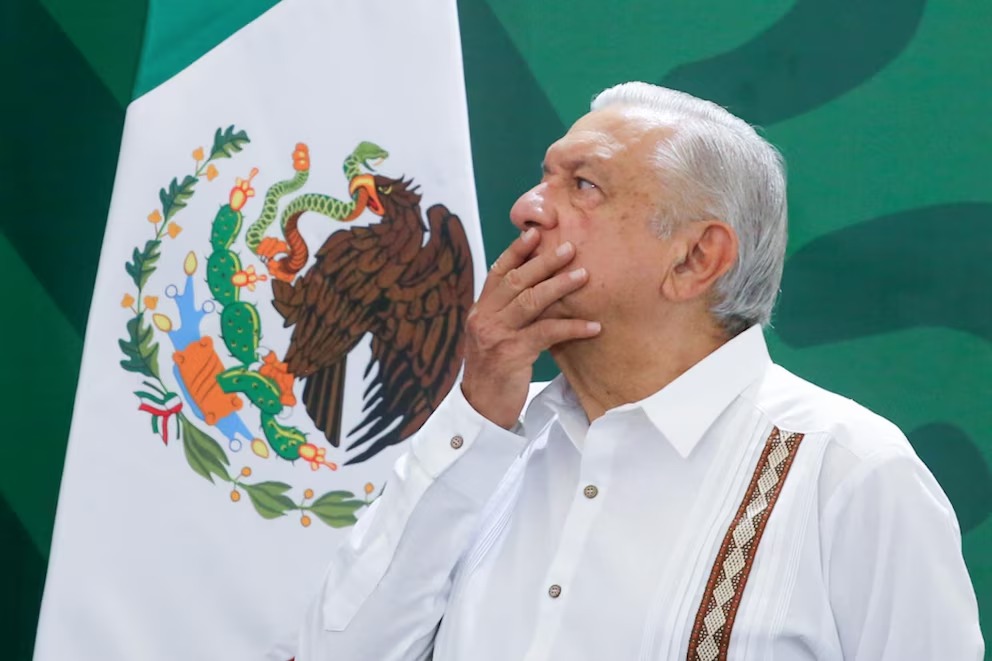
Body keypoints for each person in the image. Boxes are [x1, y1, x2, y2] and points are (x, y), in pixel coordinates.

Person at [295, 82, 984, 660]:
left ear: (695, 259)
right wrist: (474, 413)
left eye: (583, 184)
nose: (527, 208)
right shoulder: (489, 440)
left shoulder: (849, 472)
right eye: (544, 177)